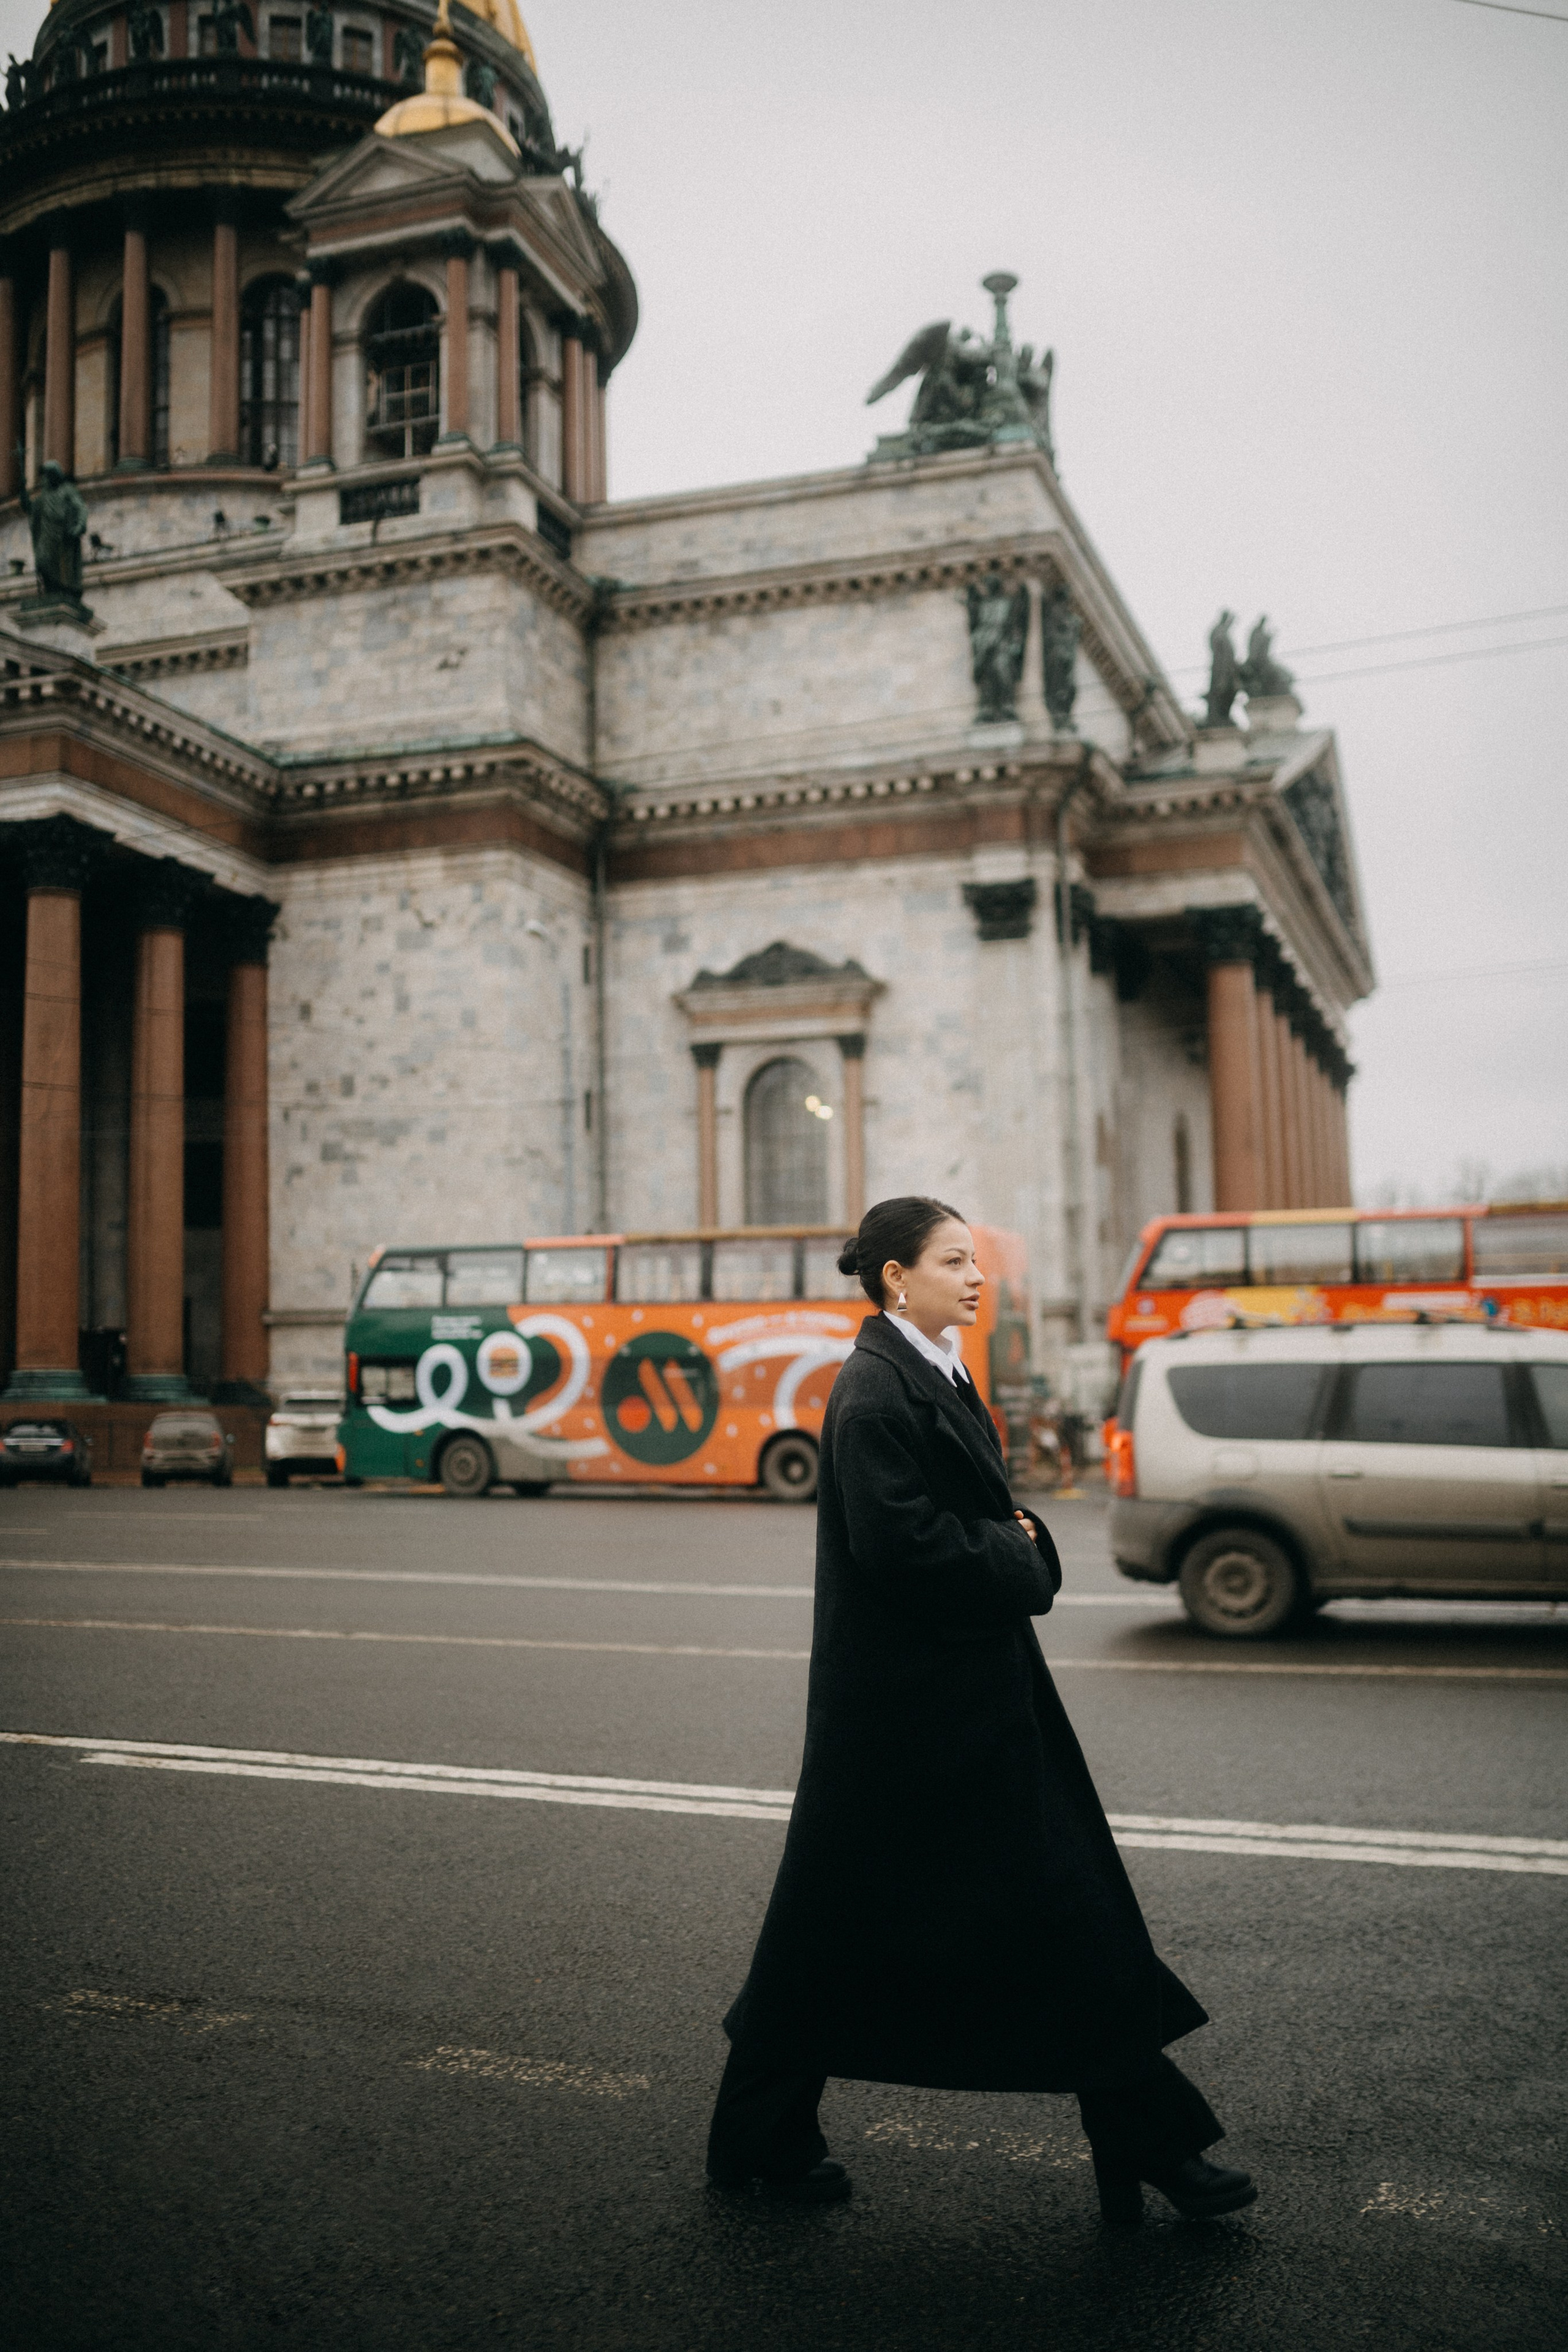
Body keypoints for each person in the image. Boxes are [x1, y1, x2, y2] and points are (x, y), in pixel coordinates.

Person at [706, 1196, 1256, 2227]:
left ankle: (758, 2139)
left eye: (975, 1260)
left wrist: (1016, 1536)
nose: (975, 1277)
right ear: (894, 1278)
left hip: (952, 1705)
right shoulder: (875, 1393)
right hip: (916, 1719)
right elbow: (907, 1551)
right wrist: (1025, 1549)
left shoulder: (932, 1372)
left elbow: (972, 1524)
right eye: (953, 1260)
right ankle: (1154, 2146)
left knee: (858, 1932)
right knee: (1048, 1916)